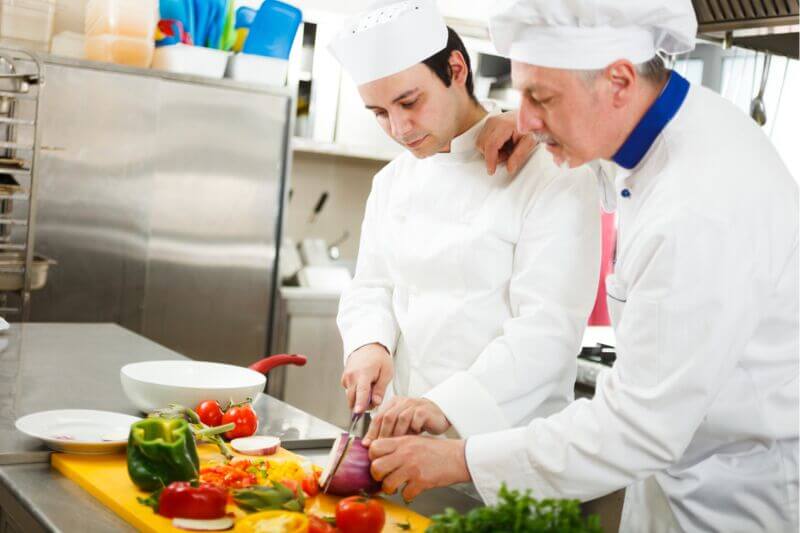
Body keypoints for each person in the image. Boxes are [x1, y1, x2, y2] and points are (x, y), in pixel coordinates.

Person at [367, 1, 799, 531]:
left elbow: (639, 427)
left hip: (736, 502)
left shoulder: (702, 202)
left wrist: (458, 458)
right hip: (675, 482)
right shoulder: (653, 136)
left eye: (540, 97)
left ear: (618, 80)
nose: (522, 118)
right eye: (521, 95)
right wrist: (537, 121)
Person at [328, 0, 600, 444]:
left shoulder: (551, 175)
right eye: (379, 113)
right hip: (401, 443)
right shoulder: (391, 182)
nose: (398, 128)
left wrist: (445, 405)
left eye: (409, 101)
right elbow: (372, 286)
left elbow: (547, 332)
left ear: (456, 69)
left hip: (508, 449)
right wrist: (368, 344)